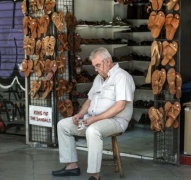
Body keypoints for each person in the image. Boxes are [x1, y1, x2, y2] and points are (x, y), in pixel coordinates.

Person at [52, 47, 135, 180]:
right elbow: (89, 101)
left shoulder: (122, 77)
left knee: (93, 130)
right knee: (63, 125)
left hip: (116, 120)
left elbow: (120, 106)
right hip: (93, 119)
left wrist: (95, 119)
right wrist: (79, 114)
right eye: (94, 66)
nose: (96, 69)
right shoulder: (98, 78)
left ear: (107, 61)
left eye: (98, 65)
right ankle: (72, 166)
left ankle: (94, 175)